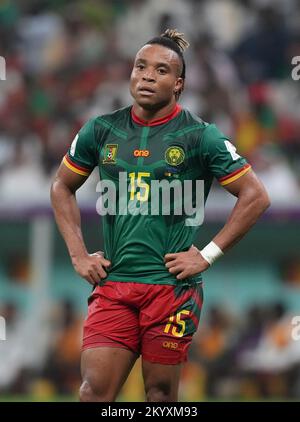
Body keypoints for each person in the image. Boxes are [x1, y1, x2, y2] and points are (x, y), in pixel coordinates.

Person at [50, 29, 270, 402]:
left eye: (161, 70)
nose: (148, 76)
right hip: (114, 285)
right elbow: (61, 187)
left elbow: (255, 196)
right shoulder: (101, 130)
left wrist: (207, 254)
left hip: (171, 290)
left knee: (159, 396)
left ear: (179, 84)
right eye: (141, 67)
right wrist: (77, 253)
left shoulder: (201, 137)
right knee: (92, 393)